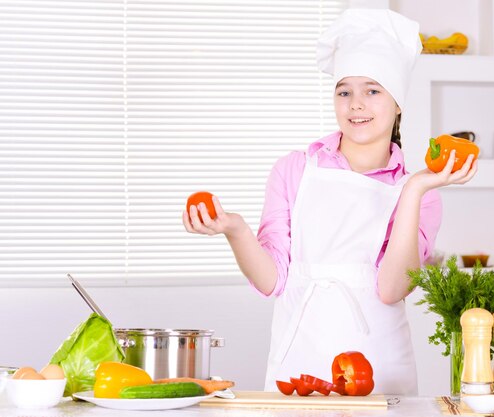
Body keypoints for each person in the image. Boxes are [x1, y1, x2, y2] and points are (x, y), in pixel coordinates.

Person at [183, 8, 477, 395]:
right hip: (298, 361)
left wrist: (412, 191)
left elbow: (391, 289)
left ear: (398, 102)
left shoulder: (420, 192)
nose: (356, 104)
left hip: (380, 368)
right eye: (344, 91)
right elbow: (272, 281)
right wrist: (235, 229)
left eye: (372, 90)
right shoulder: (294, 169)